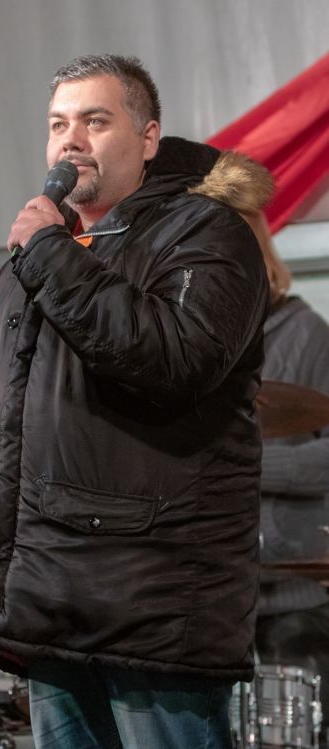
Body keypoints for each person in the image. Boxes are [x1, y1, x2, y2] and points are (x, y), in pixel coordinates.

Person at [0, 54, 274, 749]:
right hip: (49, 604)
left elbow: (175, 360)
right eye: (58, 124)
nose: (70, 140)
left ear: (148, 137)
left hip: (154, 611)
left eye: (95, 121)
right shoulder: (32, 263)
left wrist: (48, 251)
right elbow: (5, 434)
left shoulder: (206, 232)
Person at [250, 213, 329, 745]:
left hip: (293, 598)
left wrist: (253, 466)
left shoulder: (309, 334)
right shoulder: (196, 341)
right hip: (212, 597)